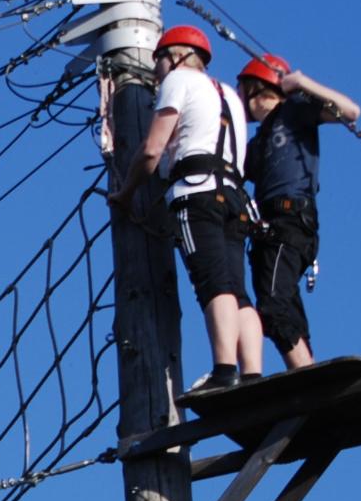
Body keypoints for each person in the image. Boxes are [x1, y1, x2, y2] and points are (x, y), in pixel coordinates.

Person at [111, 25, 265, 394]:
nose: (156, 71)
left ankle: (224, 370)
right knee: (237, 289)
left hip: (195, 195)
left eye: (159, 60)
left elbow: (152, 149)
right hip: (234, 197)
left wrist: (125, 193)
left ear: (176, 56)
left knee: (213, 285)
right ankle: (253, 372)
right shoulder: (229, 94)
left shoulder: (178, 81)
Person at [239, 53, 361, 370]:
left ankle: (303, 372)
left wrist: (302, 83)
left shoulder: (293, 112)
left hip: (290, 220)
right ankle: (306, 369)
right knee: (282, 301)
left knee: (273, 302)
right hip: (270, 227)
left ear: (256, 88)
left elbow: (351, 111)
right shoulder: (256, 143)